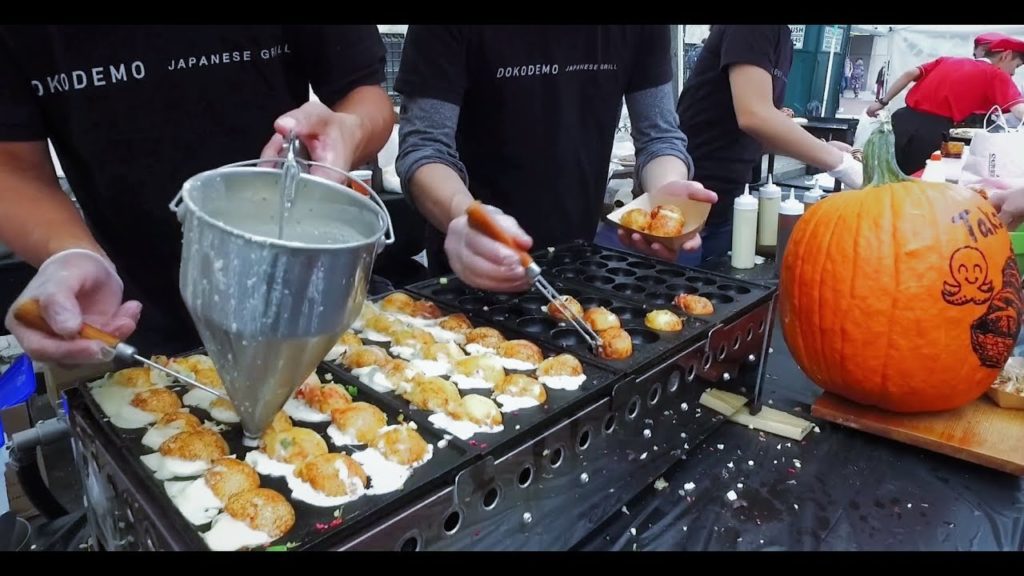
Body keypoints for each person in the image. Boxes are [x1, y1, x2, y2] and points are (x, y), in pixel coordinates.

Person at [0, 26, 396, 363]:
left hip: (312, 299)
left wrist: (348, 131)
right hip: (130, 316)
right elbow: (13, 167)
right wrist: (69, 252)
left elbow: (366, 96)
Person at [395, 25, 716, 293]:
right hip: (469, 267)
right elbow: (425, 148)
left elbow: (659, 136)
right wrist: (464, 215)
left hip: (578, 257)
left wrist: (667, 200)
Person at [658, 25, 863, 265]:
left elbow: (761, 131)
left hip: (726, 202)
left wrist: (823, 148)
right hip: (687, 202)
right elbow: (754, 115)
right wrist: (843, 166)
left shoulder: (782, 36)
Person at [867, 37, 1024, 175]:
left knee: (883, 174)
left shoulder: (946, 60)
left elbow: (909, 73)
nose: (1013, 73)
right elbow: (1019, 109)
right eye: (1015, 66)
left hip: (900, 120)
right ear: (1006, 56)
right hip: (931, 133)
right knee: (916, 182)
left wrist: (881, 102)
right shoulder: (997, 75)